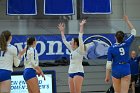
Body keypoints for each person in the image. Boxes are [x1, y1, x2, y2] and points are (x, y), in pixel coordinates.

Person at [105, 15, 136, 93]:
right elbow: (134, 31)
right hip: (125, 68)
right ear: (123, 37)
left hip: (116, 69)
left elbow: (108, 64)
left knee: (117, 92)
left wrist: (107, 76)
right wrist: (127, 20)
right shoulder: (126, 43)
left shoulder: (111, 48)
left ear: (115, 37)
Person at [58, 19, 86, 93]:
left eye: (72, 41)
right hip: (70, 72)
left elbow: (80, 36)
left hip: (78, 72)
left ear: (76, 43)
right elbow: (64, 40)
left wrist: (81, 26)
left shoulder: (80, 49)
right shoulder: (72, 49)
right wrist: (62, 31)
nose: (70, 42)